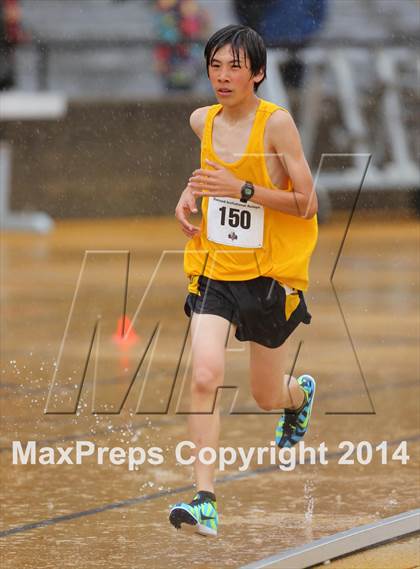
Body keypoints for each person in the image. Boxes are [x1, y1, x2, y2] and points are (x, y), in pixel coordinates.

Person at [169, 24, 318, 537]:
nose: (223, 76)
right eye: (215, 65)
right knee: (205, 375)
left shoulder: (277, 125)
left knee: (265, 394)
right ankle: (204, 498)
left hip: (269, 276)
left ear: (257, 72)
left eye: (235, 66)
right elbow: (211, 175)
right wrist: (190, 193)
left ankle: (297, 397)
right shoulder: (201, 120)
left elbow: (307, 203)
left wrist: (245, 188)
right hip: (215, 270)